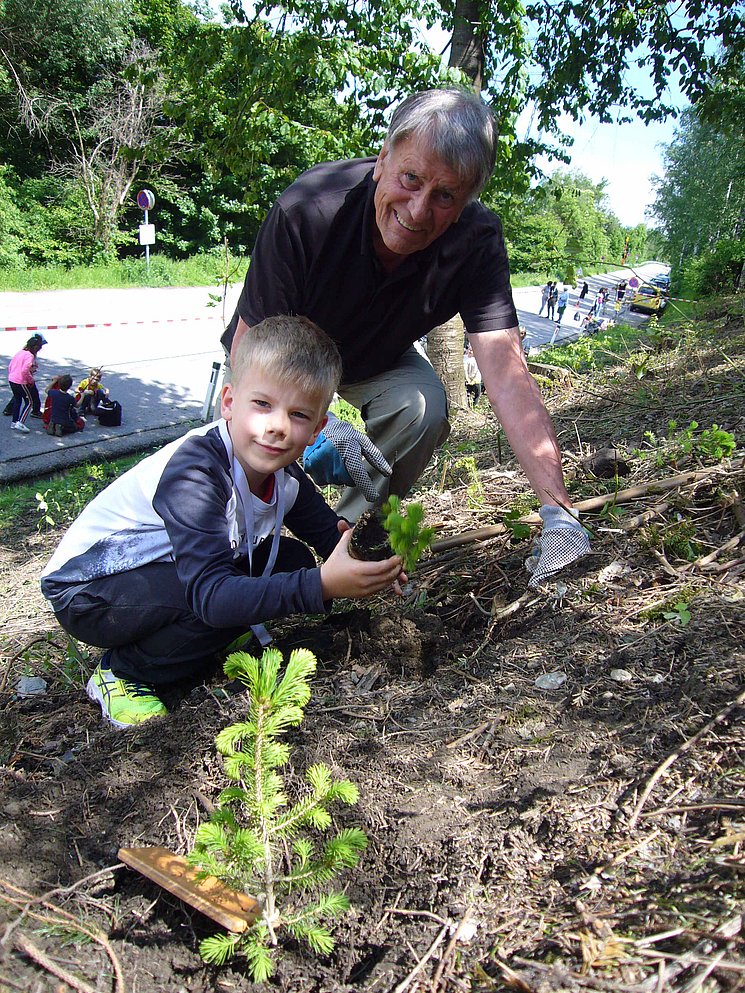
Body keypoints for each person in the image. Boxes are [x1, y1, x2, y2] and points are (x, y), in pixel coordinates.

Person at [224, 87, 590, 587]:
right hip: (289, 363)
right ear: (382, 160)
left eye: (445, 196)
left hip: (377, 358)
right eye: (410, 179)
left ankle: (348, 535)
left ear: (466, 203)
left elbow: (508, 378)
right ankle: (248, 550)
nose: (418, 211)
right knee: (239, 470)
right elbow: (248, 357)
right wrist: (319, 425)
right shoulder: (308, 209)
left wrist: (558, 512)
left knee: (424, 406)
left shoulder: (476, 244)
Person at [40, 316, 405, 729]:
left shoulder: (282, 474)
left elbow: (329, 536)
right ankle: (124, 673)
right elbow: (212, 594)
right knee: (218, 600)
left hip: (161, 576)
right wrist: (322, 585)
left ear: (318, 428)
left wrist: (373, 561)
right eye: (262, 404)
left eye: (299, 414)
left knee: (291, 559)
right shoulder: (195, 473)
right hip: (90, 591)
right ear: (229, 402)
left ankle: (207, 639)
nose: (278, 427)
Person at [7, 334, 46, 432]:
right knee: (29, 402)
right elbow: (25, 370)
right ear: (35, 347)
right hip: (21, 381)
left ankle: (14, 422)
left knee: (17, 400)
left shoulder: (20, 352)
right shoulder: (30, 356)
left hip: (12, 379)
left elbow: (10, 365)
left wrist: (13, 375)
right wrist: (30, 380)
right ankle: (20, 422)